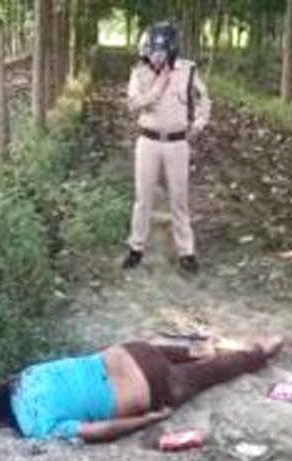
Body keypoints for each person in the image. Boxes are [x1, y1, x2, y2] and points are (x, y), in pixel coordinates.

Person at [0, 335, 284, 443]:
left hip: (146, 389)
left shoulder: (37, 428)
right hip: (130, 353)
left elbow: (99, 430)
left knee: (208, 375)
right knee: (158, 350)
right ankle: (199, 349)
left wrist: (148, 419)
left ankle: (259, 352)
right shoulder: (25, 376)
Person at [122, 21, 211, 274]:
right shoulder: (140, 72)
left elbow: (204, 99)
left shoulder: (188, 70)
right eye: (150, 51)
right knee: (143, 198)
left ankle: (186, 251)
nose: (153, 56)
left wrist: (199, 124)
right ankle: (136, 247)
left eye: (157, 51)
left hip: (177, 144)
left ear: (170, 50)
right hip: (148, 142)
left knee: (179, 199)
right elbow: (132, 104)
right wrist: (156, 89)